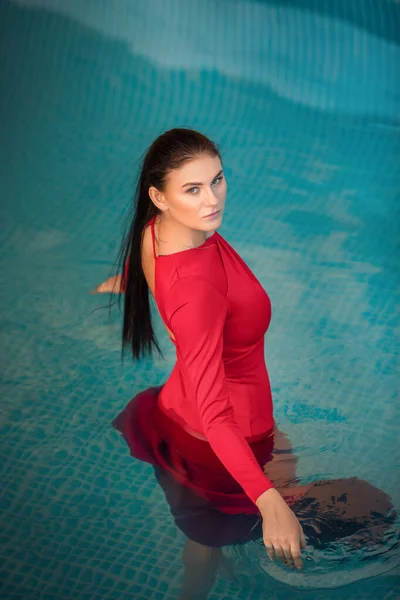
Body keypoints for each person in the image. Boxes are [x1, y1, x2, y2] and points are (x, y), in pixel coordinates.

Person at [94, 129, 396, 600]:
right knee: (356, 517)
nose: (212, 200)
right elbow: (215, 414)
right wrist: (269, 502)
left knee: (208, 535)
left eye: (216, 180)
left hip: (186, 416)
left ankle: (205, 558)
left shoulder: (159, 231)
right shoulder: (195, 292)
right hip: (221, 441)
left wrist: (134, 279)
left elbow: (155, 263)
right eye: (192, 190)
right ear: (160, 196)